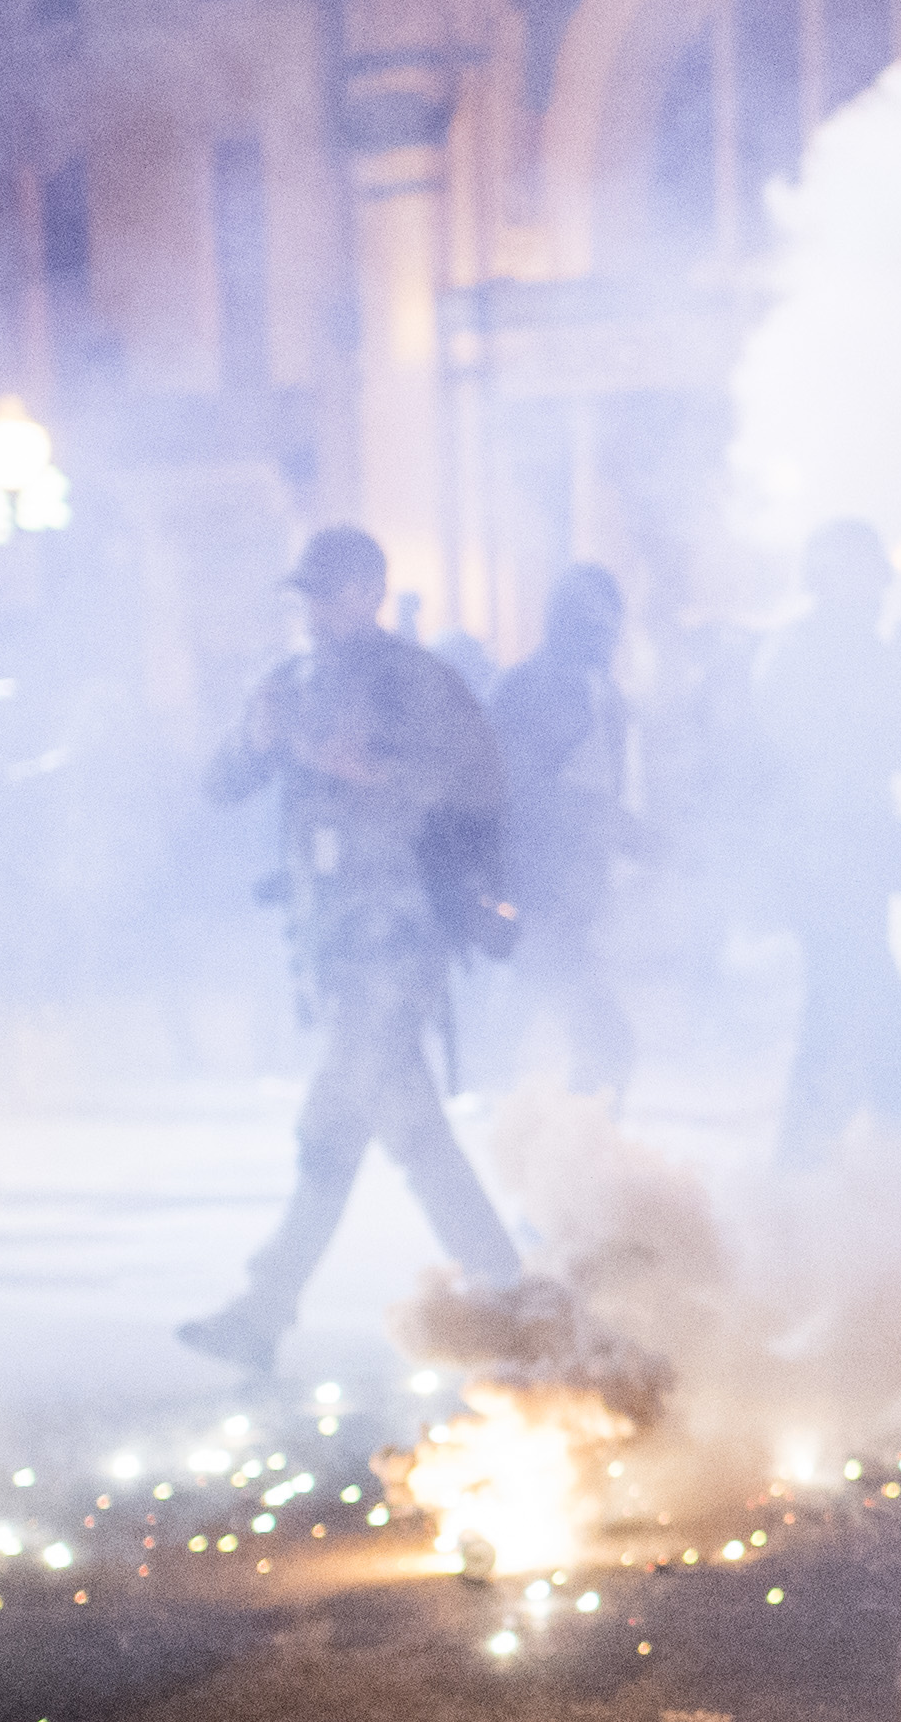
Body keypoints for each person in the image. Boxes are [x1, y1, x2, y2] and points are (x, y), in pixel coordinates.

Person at [178, 525, 526, 1369]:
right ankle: (512, 1303)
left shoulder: (417, 683)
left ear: (367, 591)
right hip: (331, 941)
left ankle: (269, 1305)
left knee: (350, 1126)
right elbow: (219, 784)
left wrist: (377, 772)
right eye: (304, 595)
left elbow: (476, 784)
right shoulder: (289, 683)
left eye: (325, 593)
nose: (311, 612)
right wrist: (259, 740)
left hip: (398, 932)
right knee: (398, 1133)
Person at [756, 517, 901, 1162]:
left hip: (843, 869)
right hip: (825, 869)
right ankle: (893, 1169)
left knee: (855, 1023)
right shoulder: (811, 655)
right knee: (862, 1026)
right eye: (865, 578)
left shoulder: (845, 651)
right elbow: (832, 759)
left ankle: (866, 1172)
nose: (878, 594)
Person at [486, 561, 642, 1104]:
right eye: (599, 623)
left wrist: (631, 839)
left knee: (571, 1031)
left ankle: (554, 1138)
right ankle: (564, 1145)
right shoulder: (530, 688)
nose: (610, 636)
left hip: (579, 892)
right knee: (606, 1042)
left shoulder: (604, 694)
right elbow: (515, 792)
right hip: (540, 892)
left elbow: (599, 793)